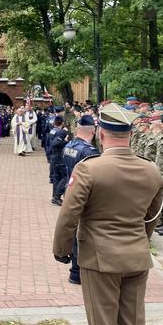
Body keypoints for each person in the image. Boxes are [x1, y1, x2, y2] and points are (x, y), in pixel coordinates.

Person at [53, 103, 163, 325]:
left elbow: (69, 214)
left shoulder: (90, 169)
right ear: (129, 134)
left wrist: (62, 249)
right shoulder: (151, 170)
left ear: (100, 132)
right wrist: (140, 241)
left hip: (99, 259)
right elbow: (152, 217)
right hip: (136, 257)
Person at [60, 115, 99, 285]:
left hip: (70, 191)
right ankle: (78, 271)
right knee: (81, 234)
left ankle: (75, 271)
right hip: (84, 195)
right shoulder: (89, 152)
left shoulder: (70, 145)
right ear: (93, 131)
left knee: (74, 230)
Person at [48, 116, 69, 206]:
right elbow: (55, 144)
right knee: (65, 177)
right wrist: (66, 141)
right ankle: (57, 196)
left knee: (56, 178)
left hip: (54, 156)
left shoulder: (53, 130)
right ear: (62, 122)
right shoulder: (61, 132)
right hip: (59, 157)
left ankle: (54, 197)